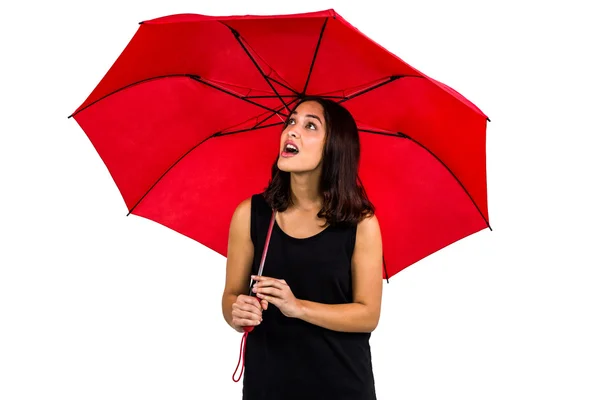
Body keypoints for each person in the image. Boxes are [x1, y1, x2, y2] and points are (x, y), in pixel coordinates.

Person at [221, 96, 383, 400]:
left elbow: (368, 315)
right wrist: (237, 312)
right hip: (267, 386)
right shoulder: (252, 214)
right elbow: (231, 298)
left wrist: (298, 308)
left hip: (341, 387)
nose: (291, 131)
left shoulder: (361, 224)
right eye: (291, 121)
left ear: (335, 147)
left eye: (310, 125)